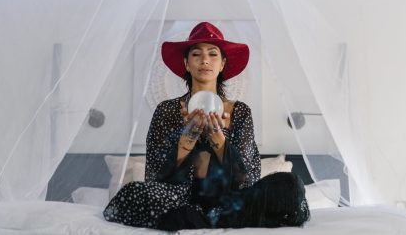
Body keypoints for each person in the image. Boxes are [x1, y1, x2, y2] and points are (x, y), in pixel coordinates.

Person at [103, 22, 310, 230]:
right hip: (179, 199)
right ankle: (201, 218)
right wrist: (187, 139)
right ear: (186, 63)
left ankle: (198, 220)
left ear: (222, 64)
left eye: (213, 54)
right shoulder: (166, 110)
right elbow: (155, 176)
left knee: (290, 186)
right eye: (196, 54)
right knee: (132, 194)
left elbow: (247, 178)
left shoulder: (240, 112)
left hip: (230, 201)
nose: (204, 60)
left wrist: (219, 139)